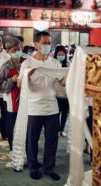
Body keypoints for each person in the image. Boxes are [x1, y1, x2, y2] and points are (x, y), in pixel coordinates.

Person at [17, 31, 64, 181]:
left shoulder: (55, 63)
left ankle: (49, 167)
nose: (47, 46)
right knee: (32, 140)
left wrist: (68, 78)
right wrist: (26, 76)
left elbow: (62, 82)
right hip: (34, 107)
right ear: (36, 44)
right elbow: (18, 83)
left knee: (52, 140)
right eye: (44, 43)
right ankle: (33, 166)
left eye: (49, 43)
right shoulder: (28, 63)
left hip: (52, 107)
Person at [0, 37, 23, 150]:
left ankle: (26, 151)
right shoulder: (6, 66)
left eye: (19, 49)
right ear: (8, 52)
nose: (17, 52)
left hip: (27, 100)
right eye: (14, 50)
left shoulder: (27, 63)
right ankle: (14, 151)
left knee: (25, 127)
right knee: (12, 128)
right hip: (12, 102)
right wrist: (11, 80)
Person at [54, 45, 70, 137]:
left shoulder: (68, 64)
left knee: (64, 113)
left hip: (66, 94)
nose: (61, 56)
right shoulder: (54, 64)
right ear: (56, 55)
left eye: (62, 54)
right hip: (56, 94)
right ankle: (56, 129)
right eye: (59, 54)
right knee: (56, 113)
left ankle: (62, 130)